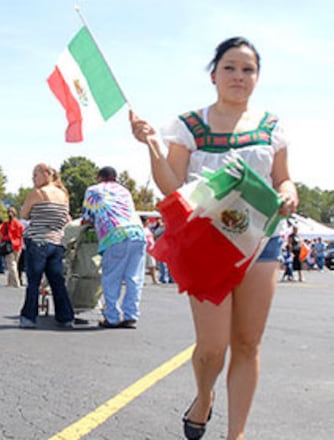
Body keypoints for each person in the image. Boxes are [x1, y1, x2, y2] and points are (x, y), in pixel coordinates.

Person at [130, 37, 298, 440]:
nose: (239, 76)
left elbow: (283, 177)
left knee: (247, 343)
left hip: (260, 242)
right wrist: (153, 147)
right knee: (212, 348)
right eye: (230, 67)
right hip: (206, 244)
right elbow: (171, 186)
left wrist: (289, 192)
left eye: (248, 69)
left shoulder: (271, 127)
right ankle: (203, 397)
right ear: (214, 75)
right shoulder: (188, 126)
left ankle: (235, 434)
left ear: (257, 77)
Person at [18, 163, 83, 329]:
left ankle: (29, 317)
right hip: (57, 241)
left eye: (35, 175)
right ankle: (65, 317)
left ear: (46, 174)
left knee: (34, 281)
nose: (33, 179)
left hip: (38, 240)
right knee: (57, 281)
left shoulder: (38, 193)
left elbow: (23, 214)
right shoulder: (63, 194)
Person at [82, 166, 147, 329]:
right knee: (134, 278)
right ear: (115, 178)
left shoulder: (93, 190)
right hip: (138, 233)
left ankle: (111, 316)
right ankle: (131, 315)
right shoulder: (125, 191)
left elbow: (87, 217)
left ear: (99, 177)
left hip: (115, 235)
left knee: (112, 277)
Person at [0, 206, 25, 288]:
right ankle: (10, 282)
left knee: (11, 265)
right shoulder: (19, 224)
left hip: (9, 245)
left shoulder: (5, 224)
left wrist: (0, 242)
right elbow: (22, 234)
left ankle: (16, 282)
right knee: (14, 264)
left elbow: (0, 235)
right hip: (18, 245)